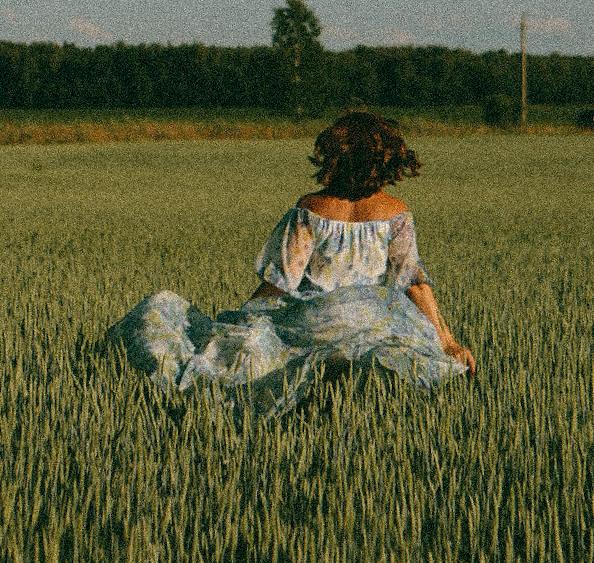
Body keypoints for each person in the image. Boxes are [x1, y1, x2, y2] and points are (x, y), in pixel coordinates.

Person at [107, 110, 476, 415]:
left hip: (315, 321)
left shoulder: (311, 209)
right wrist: (447, 342)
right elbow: (413, 282)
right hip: (372, 320)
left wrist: (244, 319)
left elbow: (281, 282)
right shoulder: (397, 213)